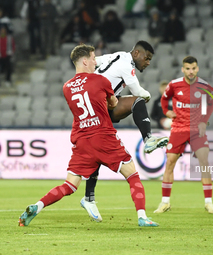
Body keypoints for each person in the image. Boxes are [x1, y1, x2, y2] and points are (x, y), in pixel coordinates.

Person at [18, 44, 159, 227]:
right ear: (85, 61)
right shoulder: (101, 81)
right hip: (103, 136)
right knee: (132, 176)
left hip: (82, 140)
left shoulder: (67, 87)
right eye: (93, 59)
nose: (96, 62)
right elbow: (113, 103)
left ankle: (37, 206)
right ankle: (142, 217)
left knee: (69, 185)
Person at [80, 41, 169, 222]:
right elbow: (137, 90)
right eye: (147, 58)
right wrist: (148, 95)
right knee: (139, 99)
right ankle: (88, 197)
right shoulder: (125, 64)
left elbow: (94, 60)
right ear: (136, 53)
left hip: (100, 105)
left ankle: (89, 197)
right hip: (97, 108)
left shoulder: (117, 55)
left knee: (97, 148)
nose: (148, 62)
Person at [153, 56, 213, 214]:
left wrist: (204, 120)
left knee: (204, 162)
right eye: (187, 68)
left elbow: (211, 103)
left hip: (197, 130)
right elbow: (163, 99)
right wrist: (166, 111)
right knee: (170, 163)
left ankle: (209, 202)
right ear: (183, 69)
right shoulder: (174, 85)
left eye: (193, 68)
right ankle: (165, 202)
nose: (191, 71)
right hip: (178, 129)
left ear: (197, 68)